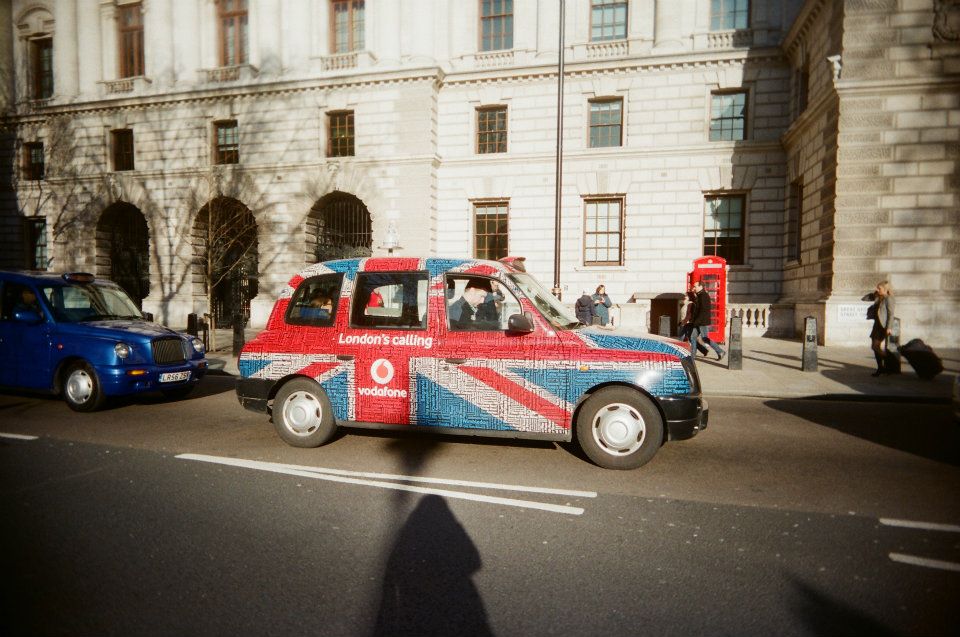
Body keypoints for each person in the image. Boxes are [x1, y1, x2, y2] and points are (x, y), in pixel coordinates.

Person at [862, 280, 895, 377]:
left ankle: (890, 362)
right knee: (875, 347)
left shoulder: (889, 299)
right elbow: (864, 299)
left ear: (885, 289)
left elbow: (891, 314)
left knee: (875, 346)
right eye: (877, 288)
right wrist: (874, 293)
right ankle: (880, 368)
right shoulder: (878, 297)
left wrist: (889, 327)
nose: (877, 289)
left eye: (879, 288)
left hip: (883, 326)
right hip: (877, 325)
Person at [689, 280, 725, 360]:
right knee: (693, 338)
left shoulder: (703, 296)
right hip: (698, 321)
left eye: (695, 286)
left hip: (702, 322)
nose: (693, 288)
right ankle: (693, 355)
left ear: (701, 286)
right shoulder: (699, 295)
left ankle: (720, 351)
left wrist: (697, 322)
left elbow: (703, 311)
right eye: (693, 286)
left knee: (705, 338)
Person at [679, 290, 709, 356]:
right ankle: (704, 350)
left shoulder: (691, 304)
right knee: (690, 339)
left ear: (689, 296)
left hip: (688, 323)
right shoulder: (687, 303)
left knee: (682, 338)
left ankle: (682, 353)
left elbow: (689, 315)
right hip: (685, 323)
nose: (684, 296)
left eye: (686, 295)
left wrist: (683, 322)